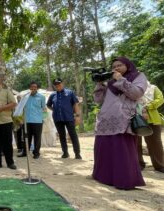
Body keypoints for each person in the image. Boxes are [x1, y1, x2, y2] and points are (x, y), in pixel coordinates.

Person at [92, 57, 147, 189]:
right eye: (114, 66)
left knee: (121, 151)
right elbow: (98, 100)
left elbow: (136, 94)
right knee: (104, 149)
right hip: (105, 121)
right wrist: (100, 84)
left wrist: (120, 80)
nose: (116, 68)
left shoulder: (138, 76)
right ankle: (103, 177)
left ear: (127, 65)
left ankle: (124, 180)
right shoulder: (110, 82)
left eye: (119, 65)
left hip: (123, 119)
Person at [47, 78, 82, 159]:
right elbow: (48, 105)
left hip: (68, 117)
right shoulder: (52, 95)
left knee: (73, 135)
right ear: (54, 86)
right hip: (57, 118)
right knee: (61, 136)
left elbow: (75, 104)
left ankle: (77, 153)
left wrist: (77, 116)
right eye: (56, 84)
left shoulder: (70, 93)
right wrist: (54, 110)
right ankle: (65, 153)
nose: (58, 85)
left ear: (62, 83)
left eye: (59, 83)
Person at [137, 82, 164, 173]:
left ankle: (160, 165)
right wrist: (140, 109)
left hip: (153, 119)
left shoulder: (153, 88)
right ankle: (138, 164)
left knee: (156, 142)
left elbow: (160, 99)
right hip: (135, 117)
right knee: (135, 142)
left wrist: (147, 107)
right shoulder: (130, 88)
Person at [17, 82, 46, 159]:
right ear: (29, 88)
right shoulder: (25, 97)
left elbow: (44, 109)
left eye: (35, 87)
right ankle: (25, 152)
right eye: (32, 87)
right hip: (27, 121)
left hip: (38, 121)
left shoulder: (42, 97)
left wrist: (44, 118)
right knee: (26, 137)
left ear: (37, 88)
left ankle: (36, 153)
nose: (33, 88)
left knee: (37, 138)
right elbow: (20, 107)